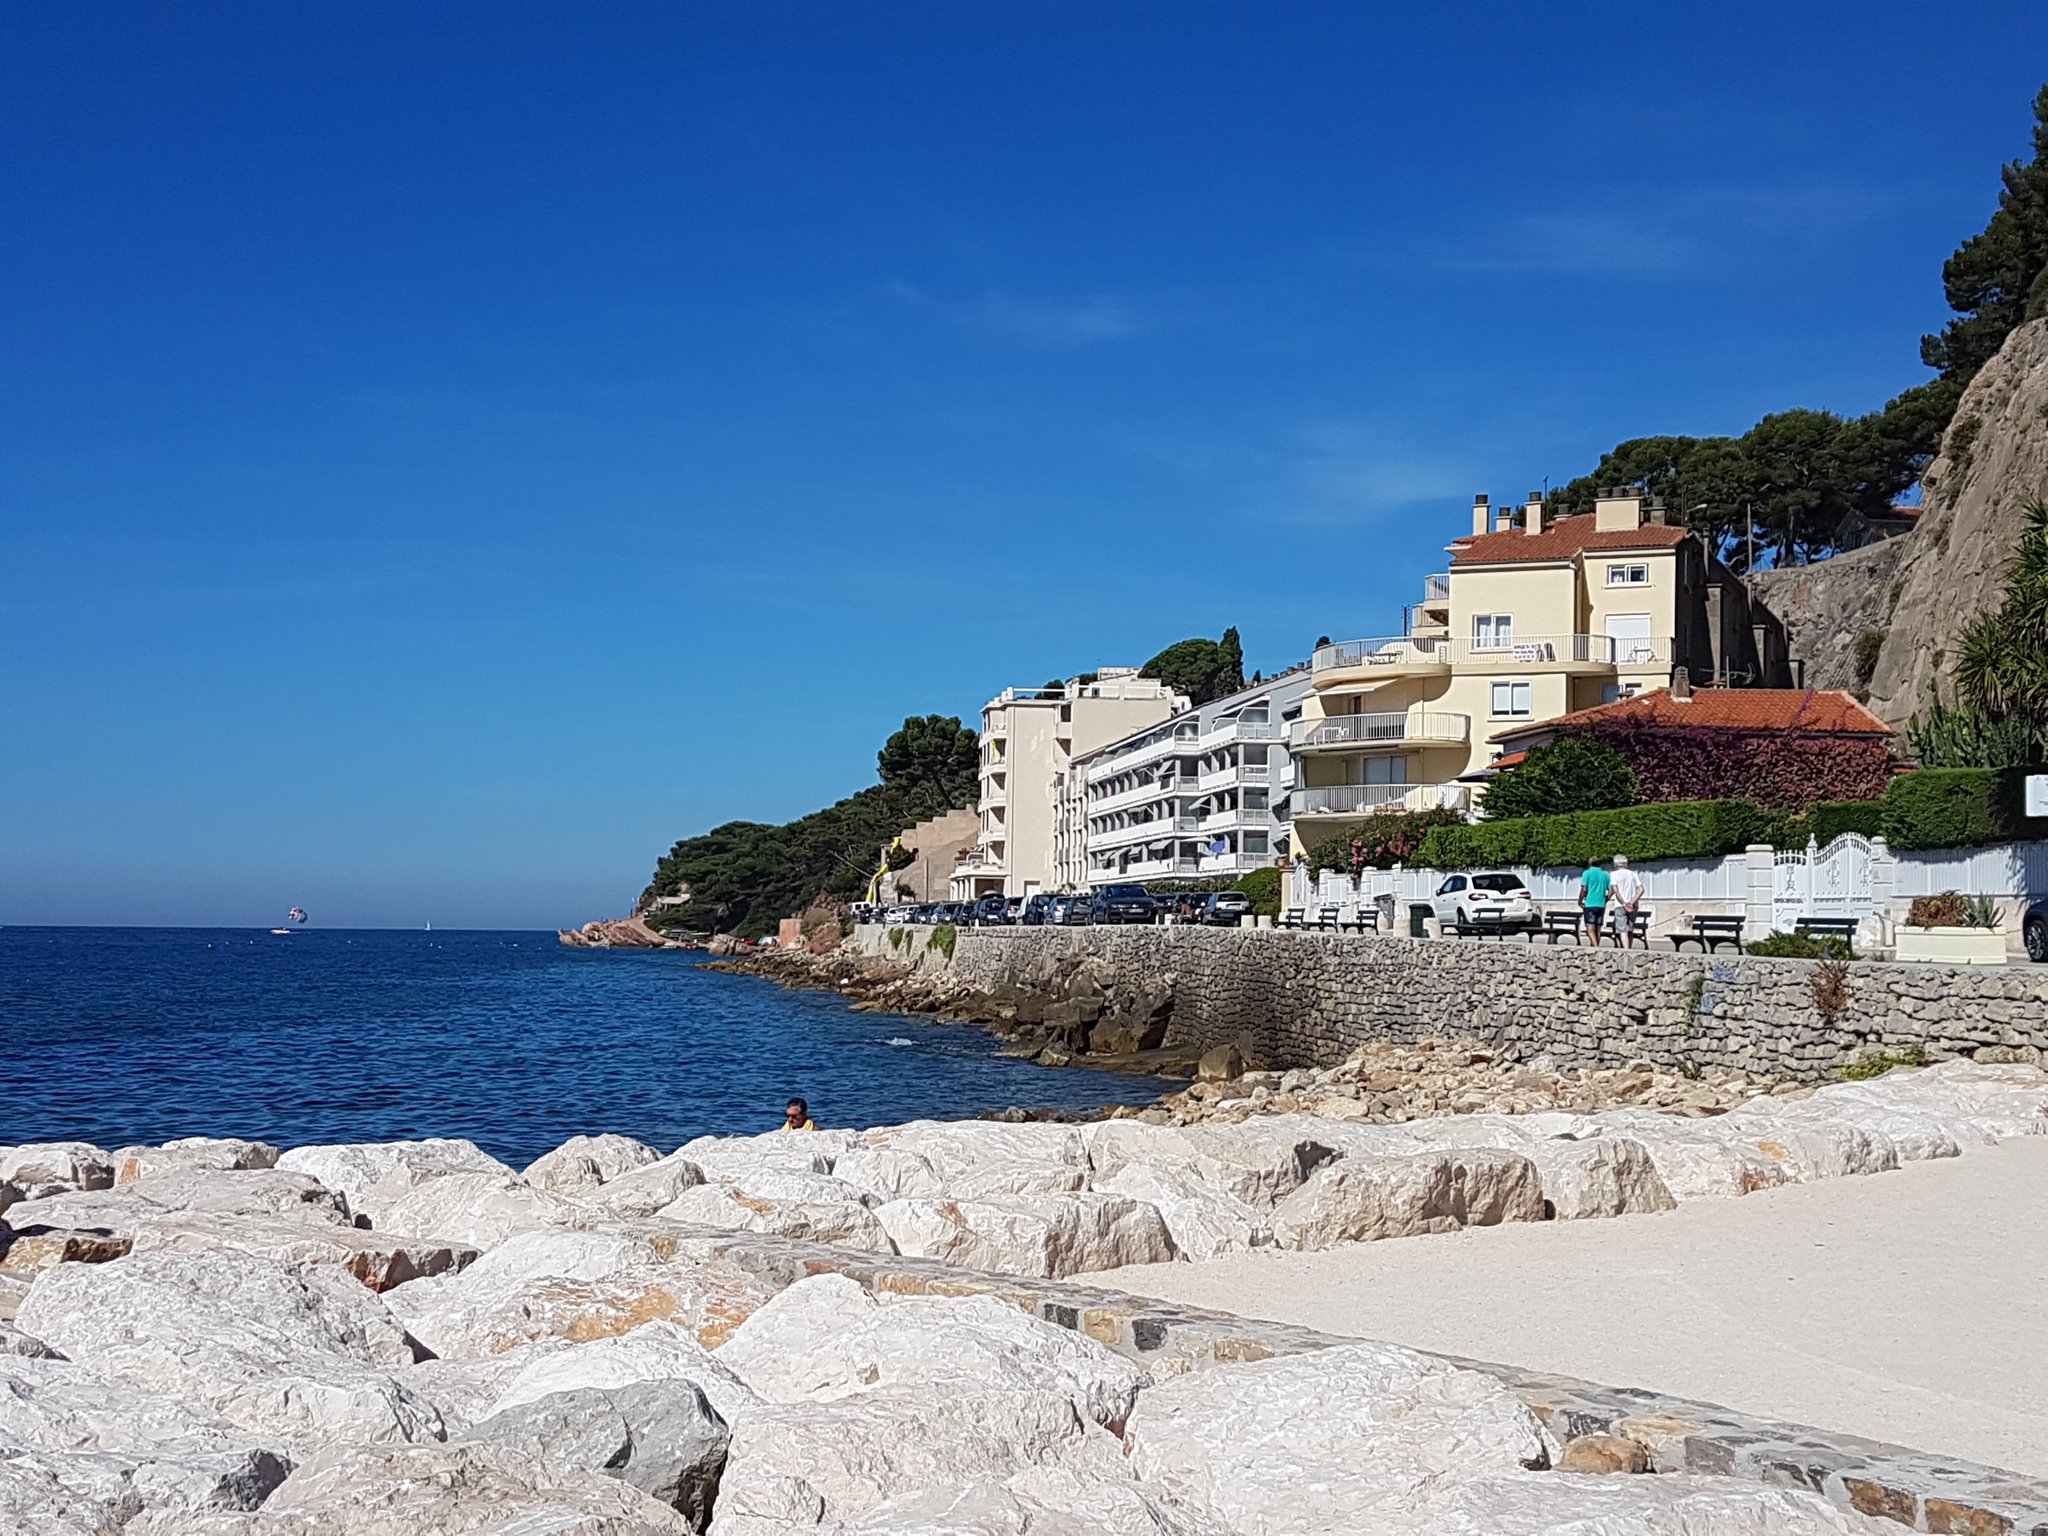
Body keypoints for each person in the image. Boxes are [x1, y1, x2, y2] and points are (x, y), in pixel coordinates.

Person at [1608, 854, 1645, 944]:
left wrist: (1624, 903)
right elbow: (1641, 890)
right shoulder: (1633, 874)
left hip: (1620, 905)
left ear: (1615, 864)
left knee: (1622, 930)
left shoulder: (1613, 874)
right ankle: (1631, 950)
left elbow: (1616, 891)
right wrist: (1632, 902)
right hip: (1633, 906)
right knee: (1630, 929)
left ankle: (1626, 949)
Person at [1578, 858, 1612, 947]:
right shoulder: (1605, 874)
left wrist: (1580, 901)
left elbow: (1584, 889)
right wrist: (1606, 899)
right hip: (1601, 904)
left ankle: (1596, 947)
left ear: (1590, 864)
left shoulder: (1587, 873)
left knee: (1590, 927)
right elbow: (1611, 890)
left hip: (1590, 904)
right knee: (1598, 928)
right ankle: (1596, 945)